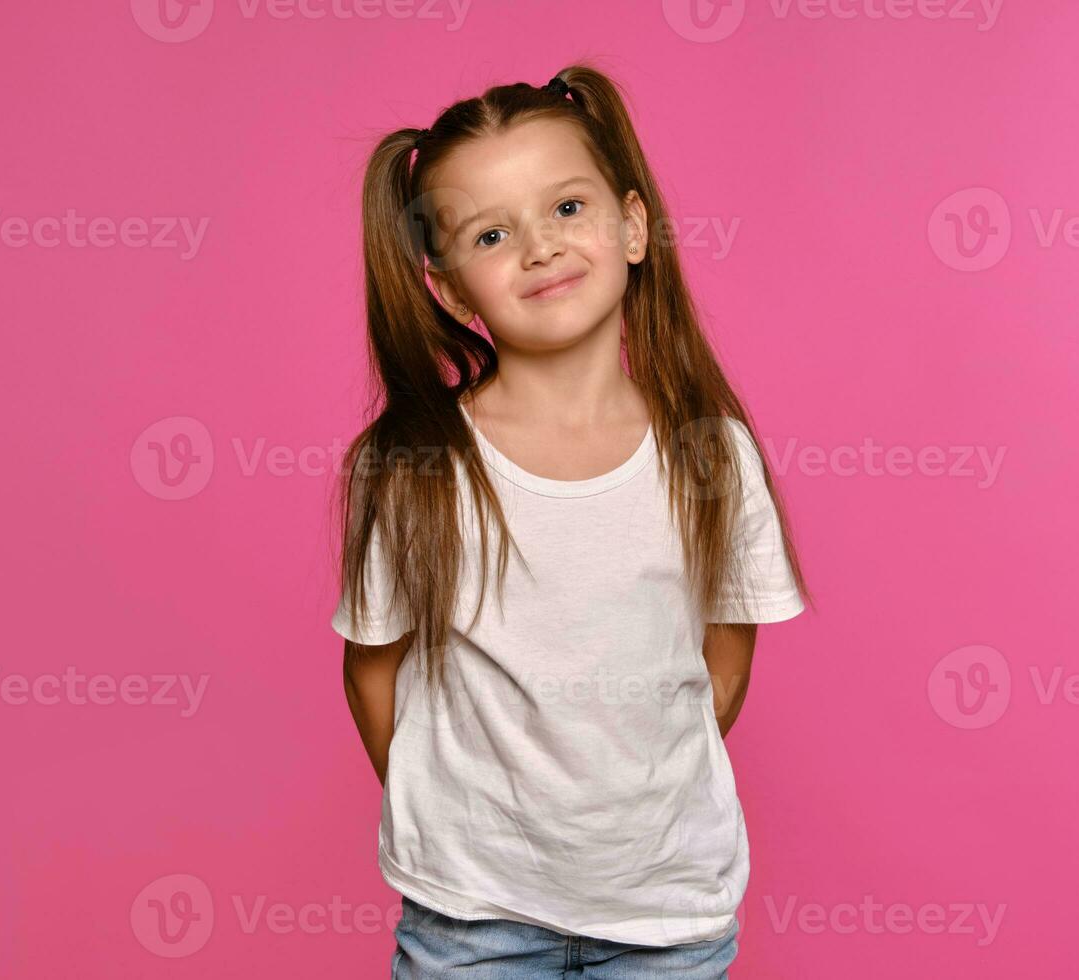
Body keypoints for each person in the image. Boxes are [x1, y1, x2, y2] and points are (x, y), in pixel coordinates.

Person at [331, 63, 811, 978]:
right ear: (452, 287)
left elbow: (724, 662)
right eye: (492, 232)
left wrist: (624, 811)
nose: (540, 249)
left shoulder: (711, 458)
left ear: (633, 226)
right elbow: (371, 672)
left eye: (566, 209)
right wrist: (455, 822)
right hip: (470, 920)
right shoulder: (414, 468)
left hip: (667, 916)